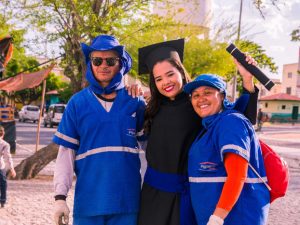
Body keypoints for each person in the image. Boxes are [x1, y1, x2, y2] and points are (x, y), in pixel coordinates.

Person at [137, 39, 259, 225]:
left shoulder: (198, 104)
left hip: (187, 195)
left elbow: (239, 119)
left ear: (181, 72)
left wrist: (248, 80)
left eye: (170, 74)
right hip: (152, 194)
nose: (165, 82)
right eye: (158, 79)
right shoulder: (151, 108)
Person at [53, 35, 146, 225]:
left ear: (120, 64)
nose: (104, 65)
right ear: (90, 64)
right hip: (89, 203)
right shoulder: (76, 103)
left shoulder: (135, 101)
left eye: (110, 60)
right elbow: (66, 154)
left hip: (128, 202)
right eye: (97, 60)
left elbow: (148, 151)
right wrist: (60, 197)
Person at [184, 74, 270, 225]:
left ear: (222, 95)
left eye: (207, 92)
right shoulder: (210, 125)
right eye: (195, 95)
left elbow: (237, 175)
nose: (200, 98)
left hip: (235, 218)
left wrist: (216, 218)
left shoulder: (230, 122)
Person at [0, 125, 16, 208]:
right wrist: (12, 168)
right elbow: (7, 157)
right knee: (3, 184)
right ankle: (2, 201)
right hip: (0, 167)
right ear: (3, 134)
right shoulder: (4, 144)